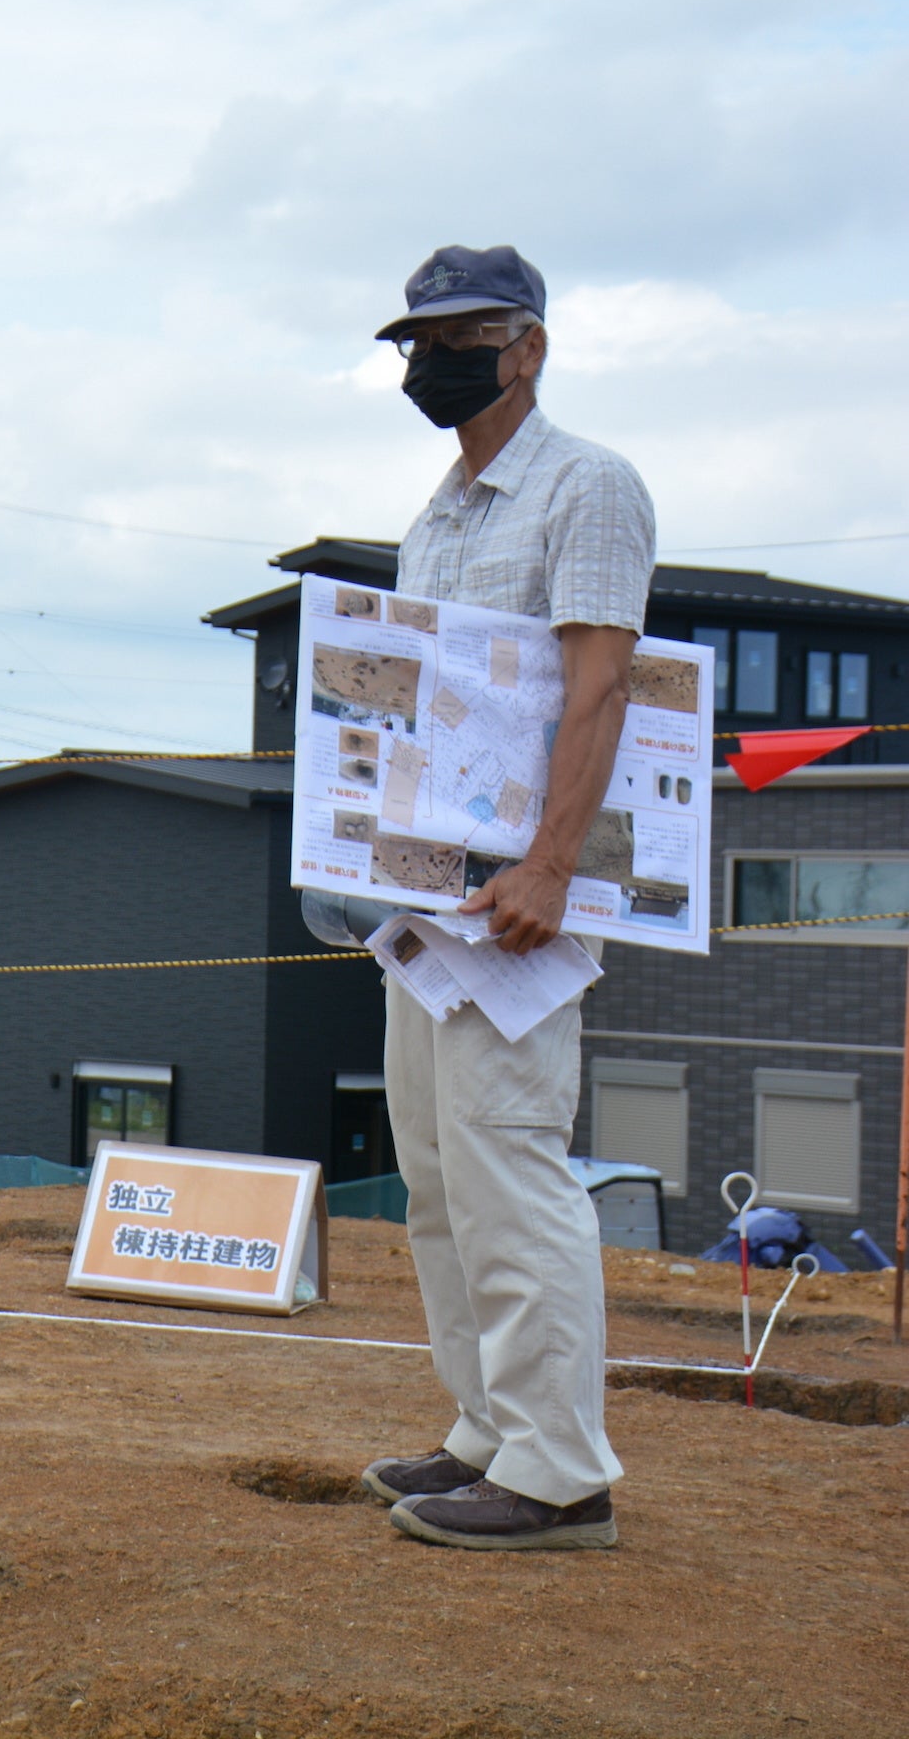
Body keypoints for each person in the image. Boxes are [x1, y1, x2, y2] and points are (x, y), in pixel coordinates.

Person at [353, 244, 653, 1551]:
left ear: (527, 345)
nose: (432, 361)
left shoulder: (587, 486)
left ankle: (560, 1471)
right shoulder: (438, 516)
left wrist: (551, 865)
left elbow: (601, 684)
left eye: (460, 337)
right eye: (417, 342)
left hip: (523, 897)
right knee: (436, 1168)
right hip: (430, 898)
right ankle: (487, 1427)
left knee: (510, 1162)